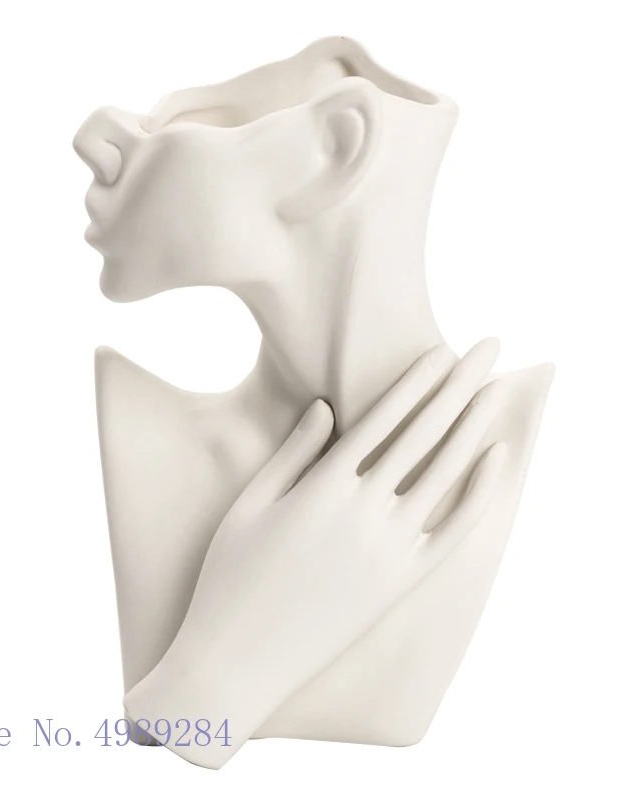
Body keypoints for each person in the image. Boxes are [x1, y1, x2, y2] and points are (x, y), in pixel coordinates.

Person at [74, 36, 553, 766]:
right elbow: (169, 739)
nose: (97, 139)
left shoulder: (502, 444)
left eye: (197, 119)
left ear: (334, 148)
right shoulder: (135, 427)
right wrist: (220, 670)